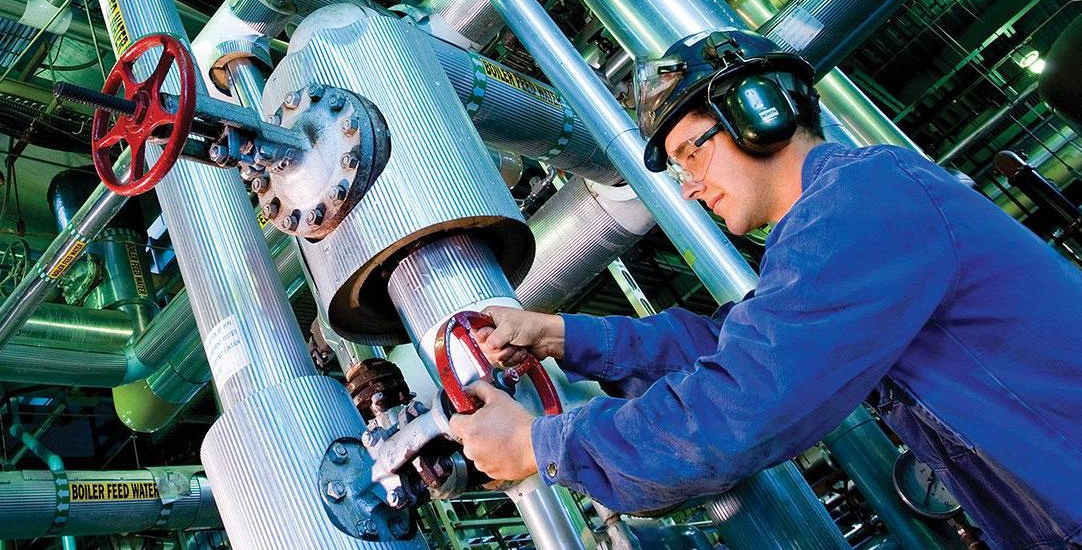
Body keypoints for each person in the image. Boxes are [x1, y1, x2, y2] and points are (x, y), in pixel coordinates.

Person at [449, 29, 1082, 549]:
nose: (689, 188)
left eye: (689, 155)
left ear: (758, 115)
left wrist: (539, 444)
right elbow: (734, 343)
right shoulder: (839, 222)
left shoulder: (864, 203)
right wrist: (559, 333)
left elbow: (745, 404)